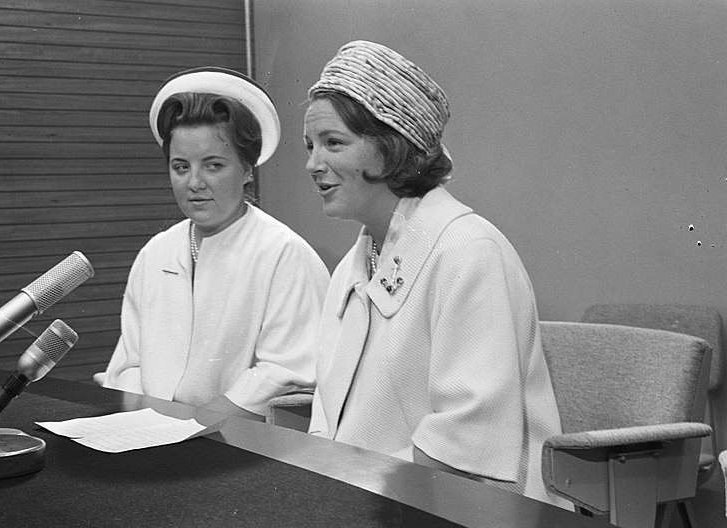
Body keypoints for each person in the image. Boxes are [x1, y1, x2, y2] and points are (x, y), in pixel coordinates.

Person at [303, 40, 570, 508]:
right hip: (374, 498)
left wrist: (344, 489)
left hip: (469, 510)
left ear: (388, 149)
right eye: (311, 145)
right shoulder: (353, 265)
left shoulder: (469, 253)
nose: (312, 164)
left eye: (333, 142)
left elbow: (466, 440)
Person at [98, 67, 329, 421]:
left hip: (242, 446)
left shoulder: (284, 254)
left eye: (213, 165)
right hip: (153, 437)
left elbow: (284, 377)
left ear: (247, 169)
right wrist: (146, 427)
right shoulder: (154, 254)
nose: (194, 183)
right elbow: (129, 366)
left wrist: (188, 429)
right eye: (180, 167)